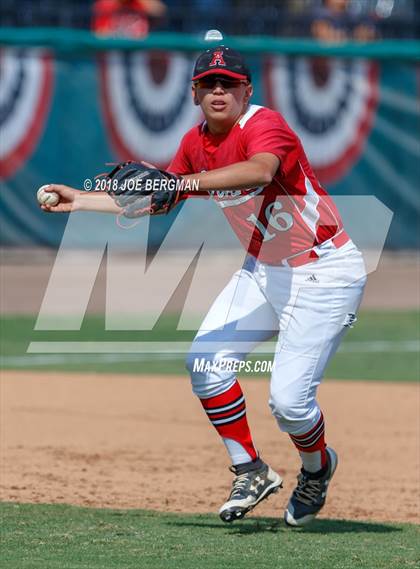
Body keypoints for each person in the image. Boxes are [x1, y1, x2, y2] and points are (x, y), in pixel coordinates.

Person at [39, 43, 366, 527]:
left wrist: (185, 183)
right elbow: (160, 198)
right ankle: (250, 469)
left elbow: (260, 170)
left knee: (290, 403)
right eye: (209, 84)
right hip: (263, 270)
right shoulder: (195, 144)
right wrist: (80, 200)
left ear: (246, 90)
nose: (219, 91)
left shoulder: (264, 124)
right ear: (194, 93)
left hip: (325, 272)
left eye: (229, 83)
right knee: (206, 364)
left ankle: (317, 469)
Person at [92, 0, 167, 38]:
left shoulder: (140, 3)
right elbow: (99, 34)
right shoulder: (108, 3)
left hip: (139, 47)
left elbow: (159, 11)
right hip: (115, 49)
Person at [311, 0, 377, 43]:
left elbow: (372, 33)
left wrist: (367, 34)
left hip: (351, 58)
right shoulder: (314, 15)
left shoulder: (357, 16)